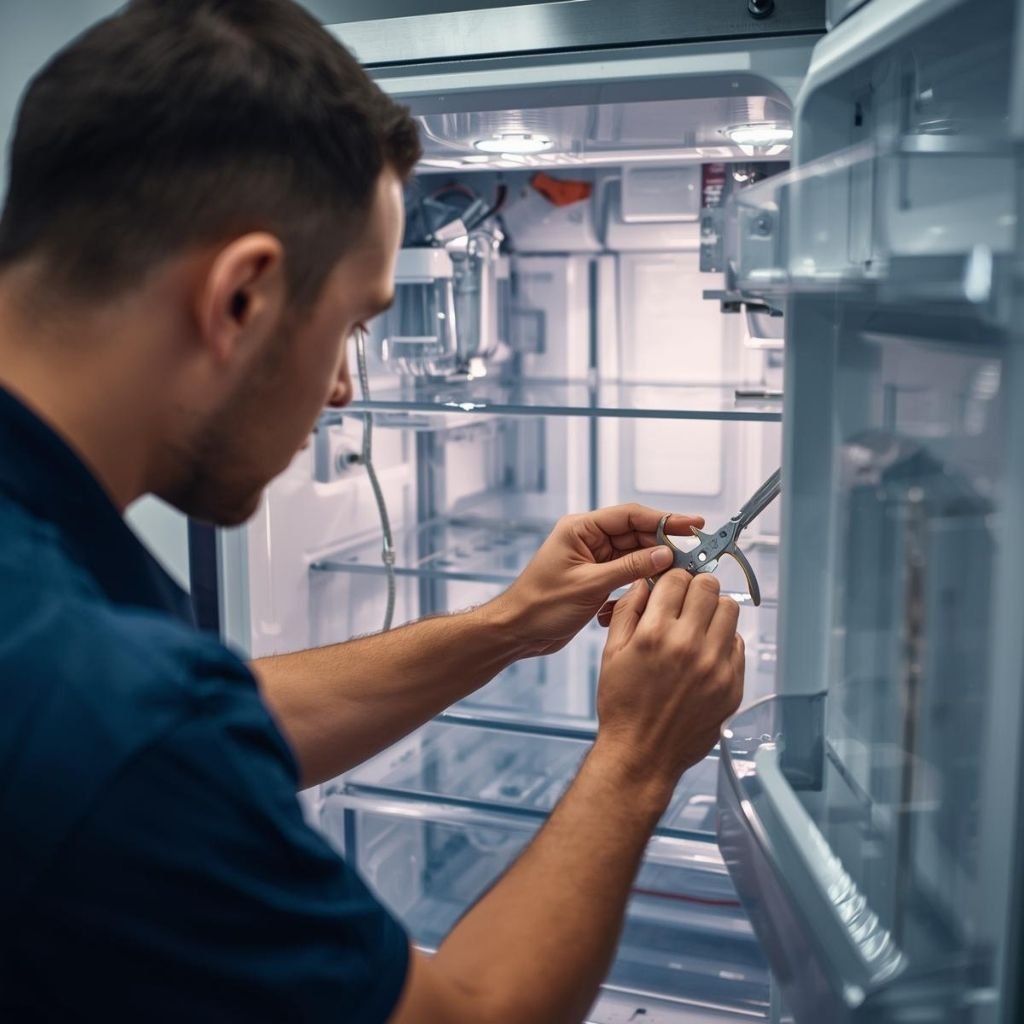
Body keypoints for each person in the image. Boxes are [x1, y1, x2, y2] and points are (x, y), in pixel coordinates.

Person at [0, 1, 745, 1021]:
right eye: (353, 324)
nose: (346, 391)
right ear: (241, 300)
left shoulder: (60, 626)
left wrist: (511, 625)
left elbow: (216, 722)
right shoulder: (106, 701)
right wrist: (640, 752)